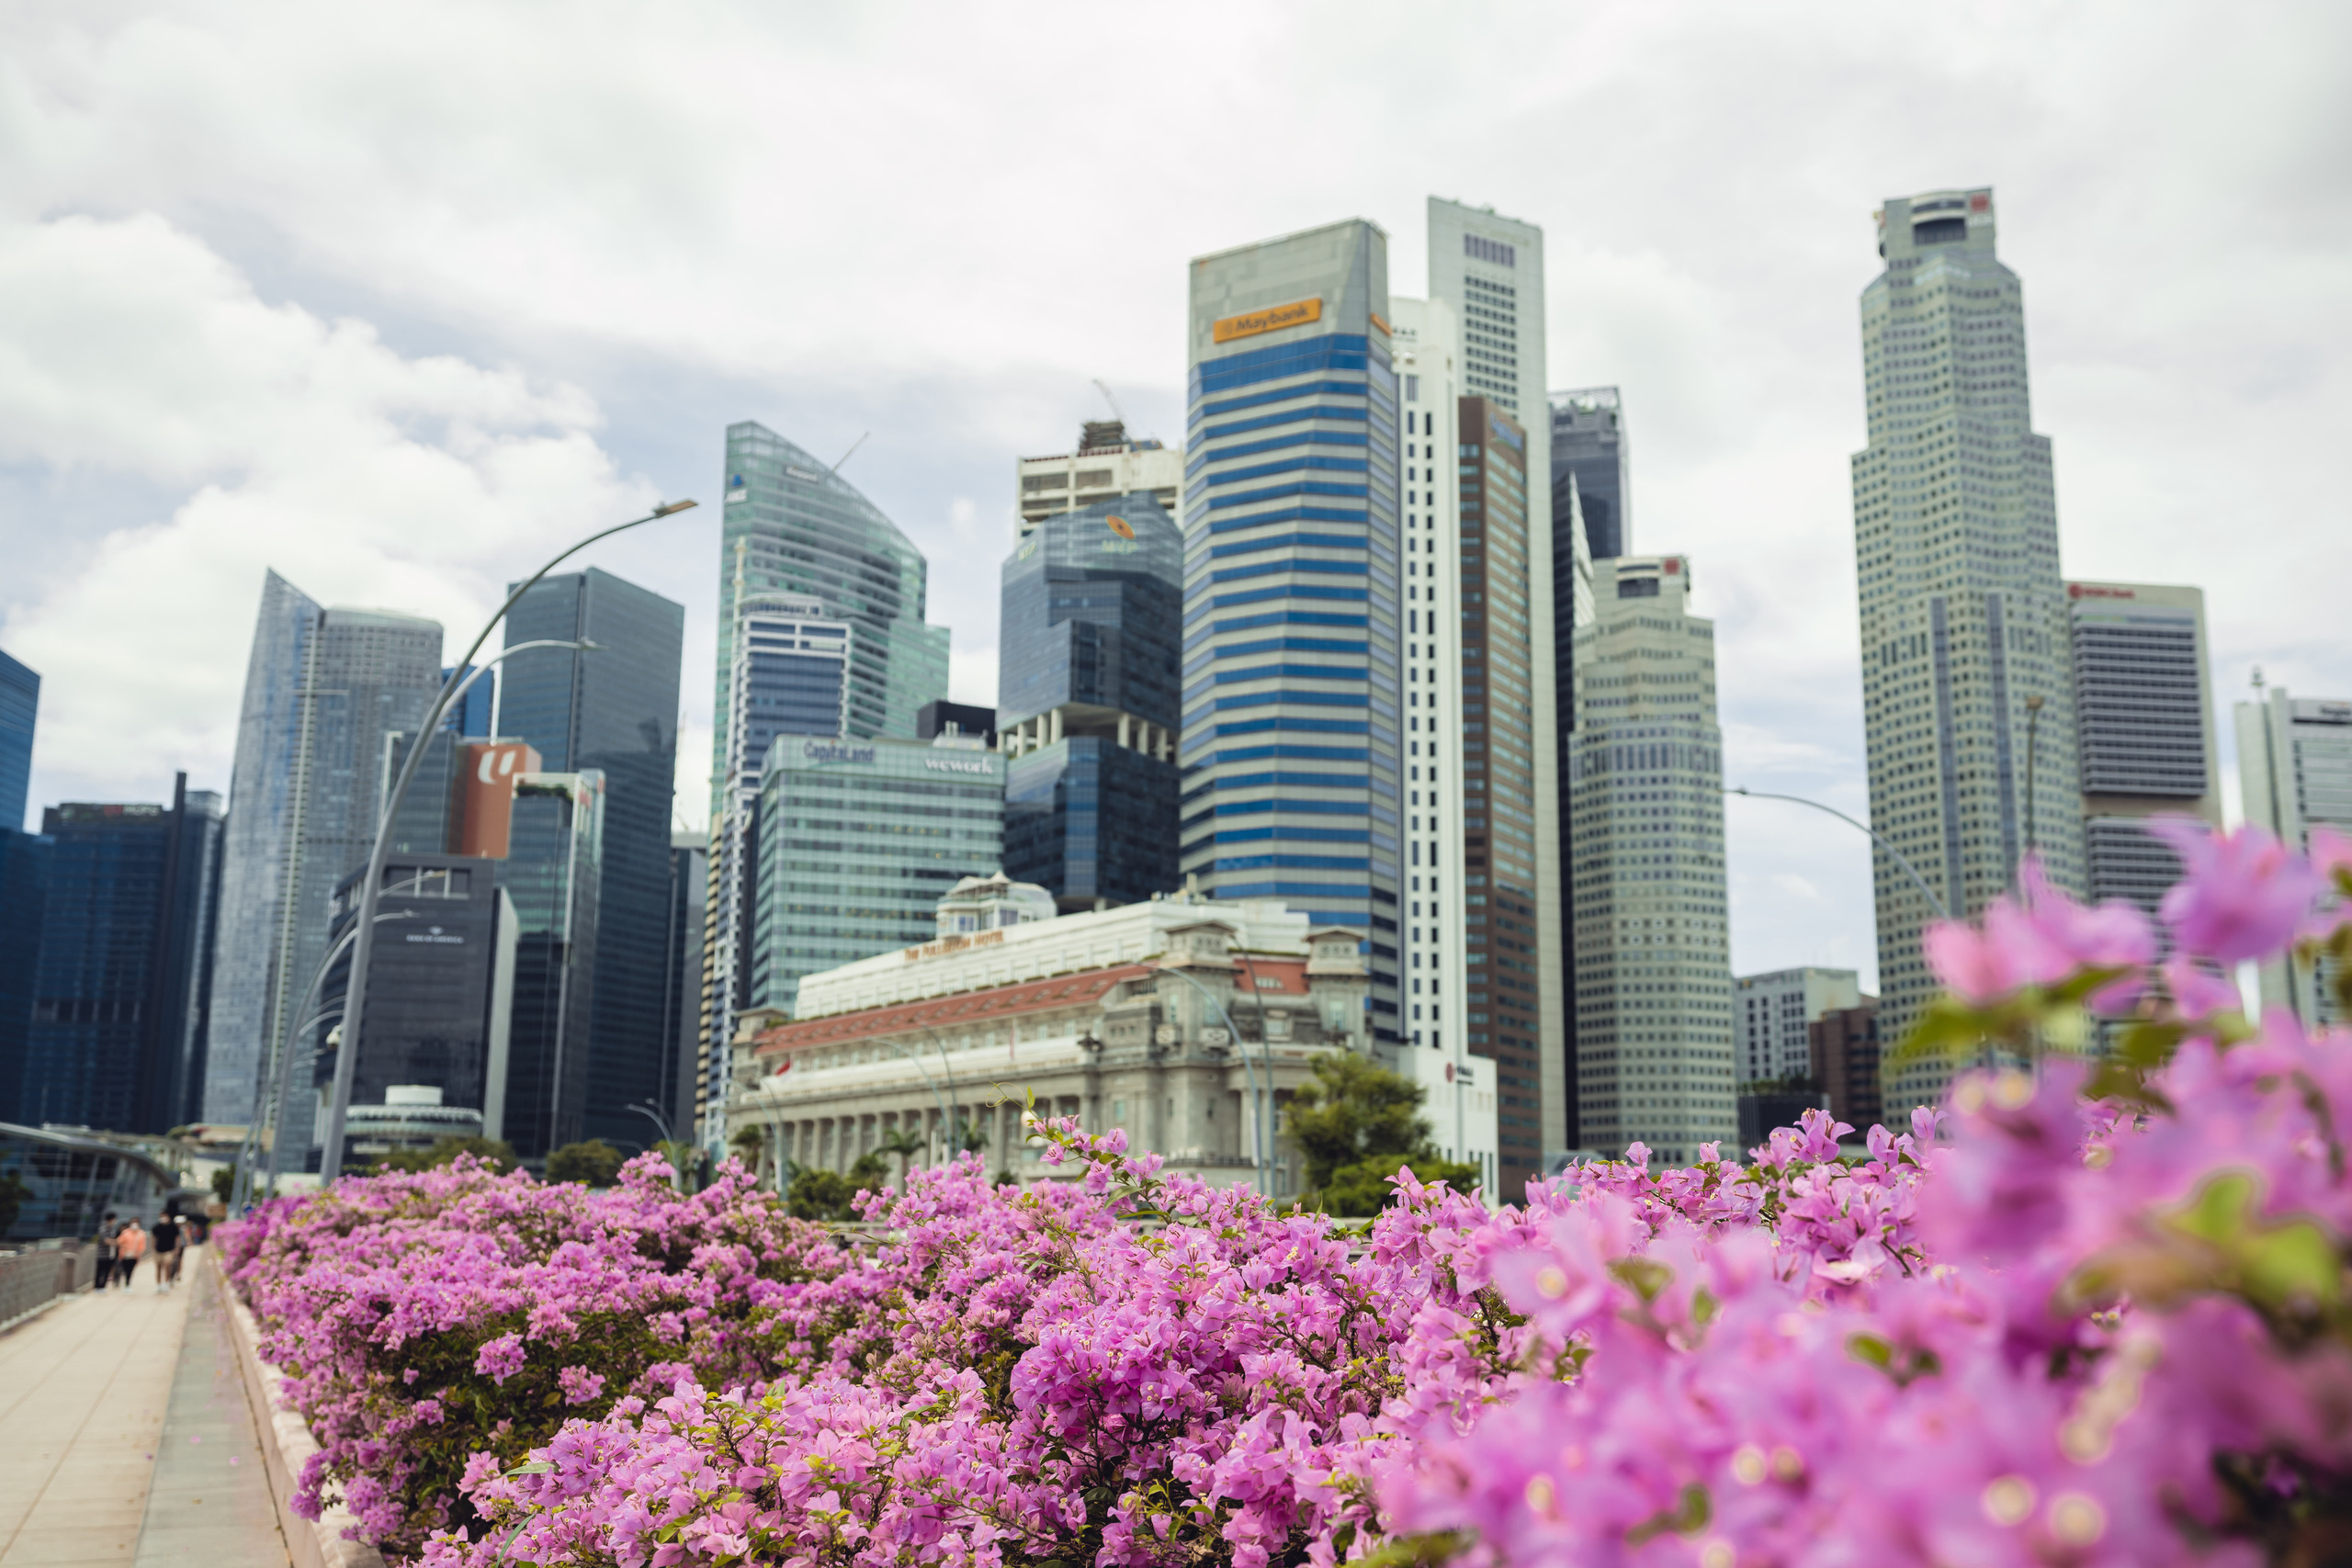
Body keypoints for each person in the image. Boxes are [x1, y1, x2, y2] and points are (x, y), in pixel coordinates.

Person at [151, 1213, 184, 1291]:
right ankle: (158, 1285)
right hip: (158, 1250)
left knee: (167, 1266)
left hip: (169, 1250)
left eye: (165, 1216)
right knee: (158, 1268)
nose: (163, 1218)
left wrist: (177, 1248)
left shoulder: (173, 1227)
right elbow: (153, 1237)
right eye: (161, 1217)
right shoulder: (157, 1227)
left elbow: (177, 1238)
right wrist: (153, 1248)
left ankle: (166, 1283)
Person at [114, 1217, 148, 1290]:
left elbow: (142, 1246)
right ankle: (118, 1281)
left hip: (134, 1256)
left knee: (130, 1270)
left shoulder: (141, 1234)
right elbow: (119, 1242)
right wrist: (124, 1247)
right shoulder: (125, 1232)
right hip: (124, 1255)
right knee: (123, 1269)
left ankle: (127, 1283)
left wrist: (139, 1254)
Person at [93, 1213, 123, 1292]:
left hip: (110, 1254)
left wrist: (115, 1242)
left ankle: (102, 1287)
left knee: (107, 1271)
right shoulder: (103, 1229)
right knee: (100, 1271)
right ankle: (97, 1287)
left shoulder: (113, 1230)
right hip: (102, 1255)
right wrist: (116, 1242)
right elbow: (106, 1241)